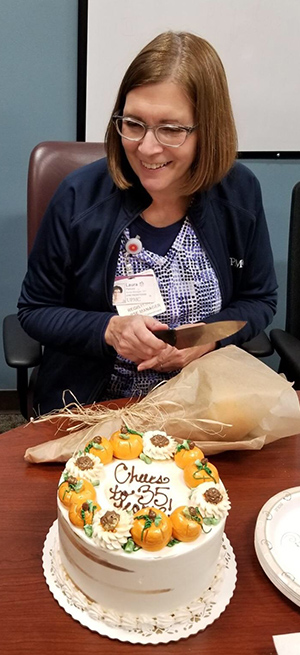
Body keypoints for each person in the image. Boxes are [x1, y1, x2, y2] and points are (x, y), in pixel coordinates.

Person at [18, 31, 277, 414]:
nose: (147, 148)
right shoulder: (79, 196)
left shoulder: (238, 194)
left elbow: (259, 300)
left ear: (209, 129)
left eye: (171, 129)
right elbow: (34, 310)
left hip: (203, 405)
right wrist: (108, 330)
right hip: (95, 407)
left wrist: (209, 342)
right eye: (134, 123)